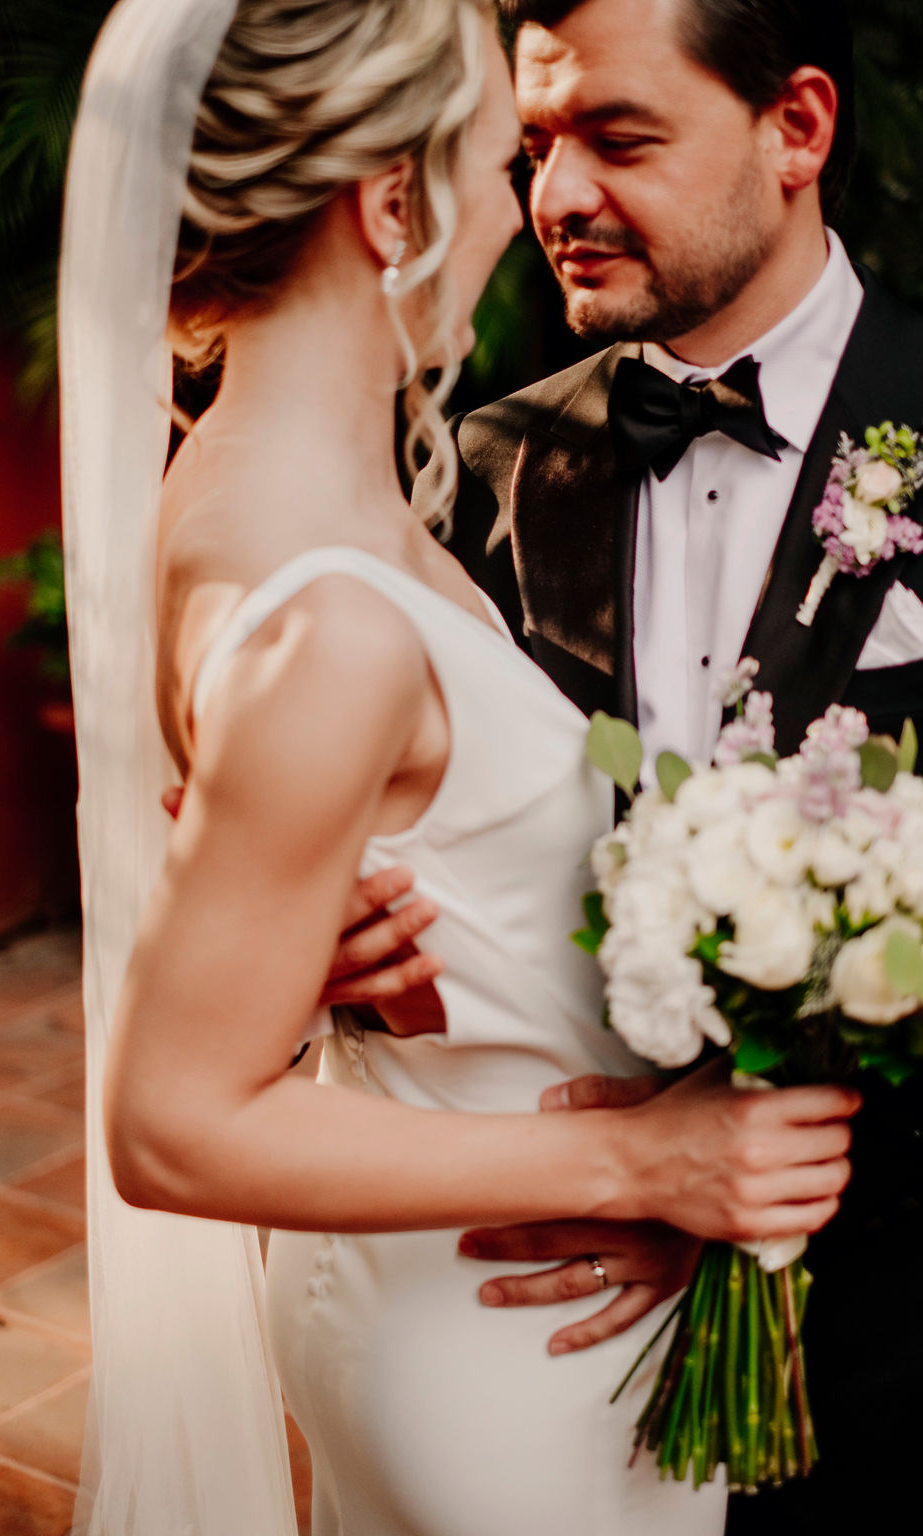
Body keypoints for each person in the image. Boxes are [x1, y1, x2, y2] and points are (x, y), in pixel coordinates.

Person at [59, 2, 859, 1534]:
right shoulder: (343, 616)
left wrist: (301, 948)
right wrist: (644, 1164)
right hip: (517, 1335)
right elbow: (167, 1120)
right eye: (508, 158)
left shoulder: (225, 492)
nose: (534, 208)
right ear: (388, 205)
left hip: (425, 1290)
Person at [390, 1, 923, 1529]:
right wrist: (355, 924)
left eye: (619, 139)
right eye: (539, 143)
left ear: (799, 128)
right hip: (554, 1341)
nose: (556, 198)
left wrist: (760, 1167)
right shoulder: (485, 466)